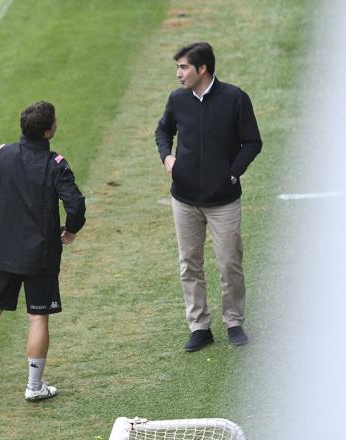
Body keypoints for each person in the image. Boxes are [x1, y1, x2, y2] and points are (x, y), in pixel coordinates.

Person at [0, 101, 86, 401]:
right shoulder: (55, 164)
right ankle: (34, 387)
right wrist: (70, 229)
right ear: (49, 131)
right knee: (38, 318)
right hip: (41, 255)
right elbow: (76, 205)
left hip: (3, 251)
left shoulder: (1, 155)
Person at [155, 42, 262, 352]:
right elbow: (163, 132)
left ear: (202, 69)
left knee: (229, 263)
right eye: (178, 67)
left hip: (224, 200)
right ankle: (199, 326)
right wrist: (167, 158)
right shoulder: (177, 99)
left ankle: (234, 321)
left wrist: (232, 173)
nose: (178, 74)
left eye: (183, 67)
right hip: (184, 199)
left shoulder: (234, 98)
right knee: (189, 263)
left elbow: (252, 142)